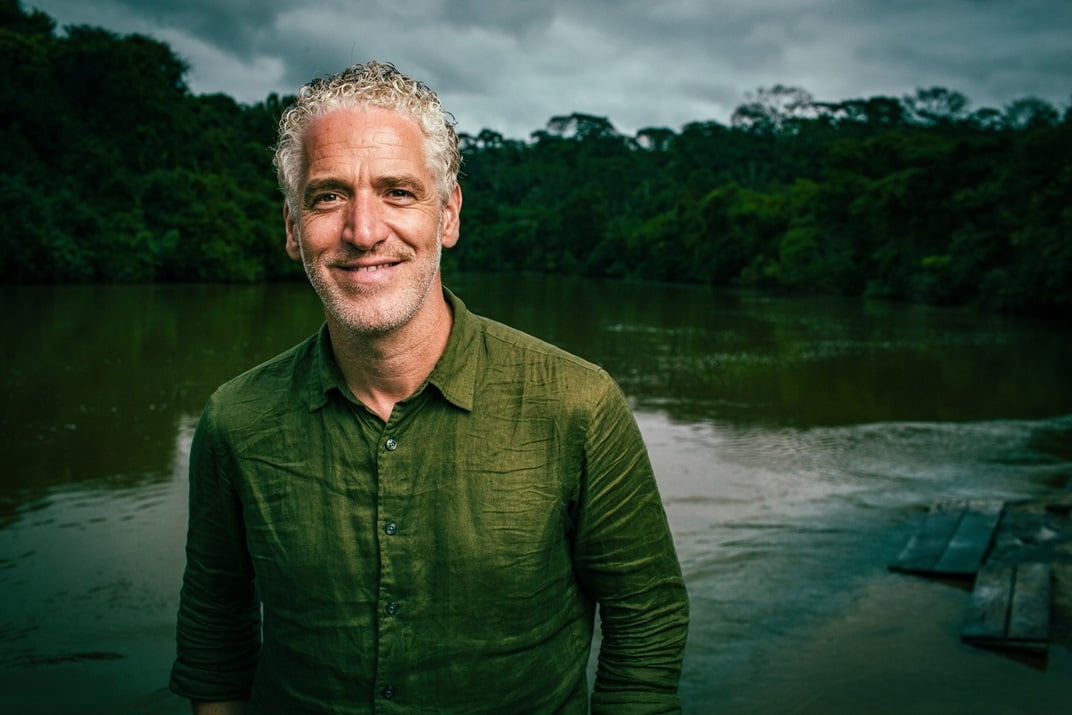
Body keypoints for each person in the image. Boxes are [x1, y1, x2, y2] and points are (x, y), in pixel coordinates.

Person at [169, 61, 689, 714]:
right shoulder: (235, 420)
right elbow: (216, 627)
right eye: (328, 195)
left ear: (448, 215)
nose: (363, 231)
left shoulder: (578, 406)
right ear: (291, 226)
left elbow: (646, 616)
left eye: (398, 192)